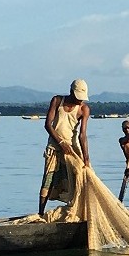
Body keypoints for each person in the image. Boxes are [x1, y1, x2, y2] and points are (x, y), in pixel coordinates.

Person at [38, 79, 91, 215]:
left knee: (78, 178)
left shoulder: (84, 109)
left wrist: (86, 159)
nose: (80, 101)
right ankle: (41, 213)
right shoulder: (57, 101)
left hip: (71, 150)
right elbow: (48, 125)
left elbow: (82, 135)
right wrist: (60, 142)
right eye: (77, 97)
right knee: (48, 180)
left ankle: (75, 211)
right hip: (55, 147)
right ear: (71, 92)